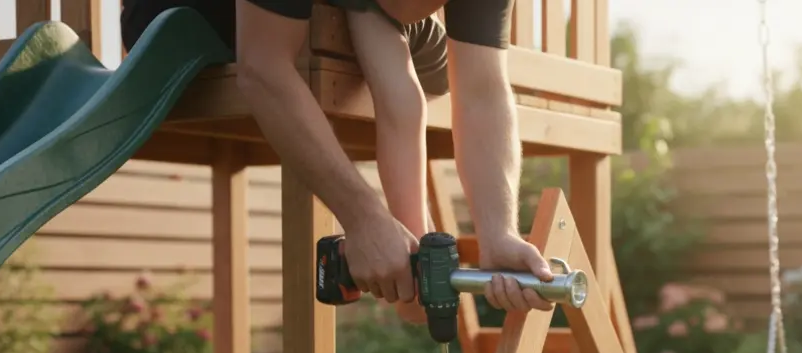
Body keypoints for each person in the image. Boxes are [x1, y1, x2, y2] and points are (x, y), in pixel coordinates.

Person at [120, 0, 556, 316]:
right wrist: (364, 219)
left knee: (402, 72)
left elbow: (480, 92)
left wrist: (497, 233)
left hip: (347, 13)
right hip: (177, 15)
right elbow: (264, 69)